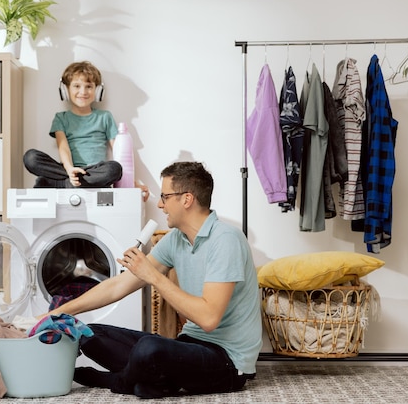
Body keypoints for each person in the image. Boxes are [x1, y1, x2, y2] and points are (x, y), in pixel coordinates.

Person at [45, 161, 262, 399]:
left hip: (227, 360)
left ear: (186, 199)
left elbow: (209, 319)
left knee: (150, 349)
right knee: (88, 333)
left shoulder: (226, 239)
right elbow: (119, 285)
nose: (160, 204)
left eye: (165, 197)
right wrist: (58, 314)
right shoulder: (176, 239)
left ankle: (118, 380)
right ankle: (154, 381)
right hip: (189, 344)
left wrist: (152, 275)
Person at [24, 61, 148, 197]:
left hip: (94, 171)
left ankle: (66, 184)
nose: (83, 92)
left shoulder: (105, 117)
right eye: (77, 86)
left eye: (89, 86)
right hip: (67, 169)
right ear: (66, 90)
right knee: (31, 157)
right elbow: (63, 147)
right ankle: (72, 180)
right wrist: (70, 169)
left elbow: (119, 153)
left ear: (97, 90)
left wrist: (134, 184)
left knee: (114, 169)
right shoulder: (61, 118)